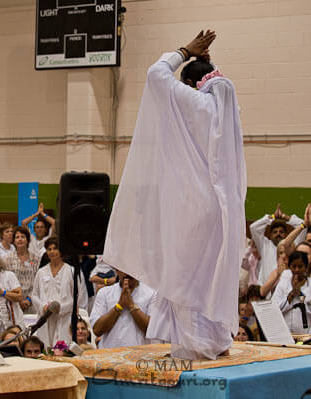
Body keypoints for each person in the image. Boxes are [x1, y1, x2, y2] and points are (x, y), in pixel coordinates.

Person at [103, 30, 247, 360]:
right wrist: (206, 63)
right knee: (209, 274)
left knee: (185, 276)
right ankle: (214, 339)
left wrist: (185, 51)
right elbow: (216, 84)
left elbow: (157, 74)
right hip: (220, 209)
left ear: (190, 85)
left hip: (188, 205)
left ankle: (194, 345)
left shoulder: (192, 103)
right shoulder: (226, 111)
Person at [31, 237, 85, 347]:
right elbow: (34, 294)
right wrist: (43, 307)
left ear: (61, 251)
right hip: (46, 317)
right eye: (49, 249)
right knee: (46, 347)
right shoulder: (41, 272)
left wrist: (62, 308)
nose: (52, 251)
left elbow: (77, 295)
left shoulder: (71, 270)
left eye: (55, 248)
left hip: (64, 317)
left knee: (62, 348)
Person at [90, 271, 157, 348]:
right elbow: (97, 330)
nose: (126, 273)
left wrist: (131, 305)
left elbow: (152, 330)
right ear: (116, 270)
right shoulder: (104, 293)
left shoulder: (152, 293)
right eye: (123, 268)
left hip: (140, 355)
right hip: (110, 355)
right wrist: (119, 306)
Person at [250, 203, 305, 286]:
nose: (278, 234)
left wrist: (284, 217)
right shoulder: (264, 245)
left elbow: (303, 226)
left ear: (286, 235)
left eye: (281, 232)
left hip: (287, 290)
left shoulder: (292, 246)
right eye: (275, 232)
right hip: (266, 292)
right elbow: (253, 228)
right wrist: (272, 217)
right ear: (270, 235)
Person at [272, 251, 311, 334]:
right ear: (289, 267)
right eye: (294, 266)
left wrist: (301, 296)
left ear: (306, 267)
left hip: (305, 335)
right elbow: (274, 308)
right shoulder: (283, 284)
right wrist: (290, 297)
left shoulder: (310, 285)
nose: (297, 270)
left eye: (300, 266)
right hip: (284, 333)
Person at [5, 226, 40, 313]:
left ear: (27, 240)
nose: (20, 239)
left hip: (32, 302)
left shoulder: (36, 258)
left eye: (23, 237)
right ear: (14, 241)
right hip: (14, 302)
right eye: (17, 237)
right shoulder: (7, 259)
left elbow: (38, 281)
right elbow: (6, 282)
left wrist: (29, 299)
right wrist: (19, 300)